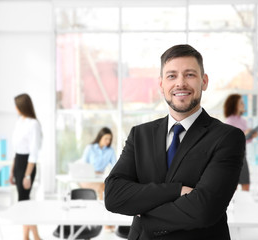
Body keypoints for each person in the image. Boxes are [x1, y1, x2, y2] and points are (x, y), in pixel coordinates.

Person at [104, 44, 246, 240]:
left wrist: (144, 213)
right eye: (172, 76)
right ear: (161, 85)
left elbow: (204, 209)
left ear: (204, 81)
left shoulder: (227, 137)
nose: (180, 83)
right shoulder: (140, 135)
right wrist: (177, 190)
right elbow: (114, 195)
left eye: (189, 75)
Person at [9, 93, 42, 240]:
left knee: (24, 202)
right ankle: (31, 236)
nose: (15, 108)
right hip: (18, 162)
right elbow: (16, 149)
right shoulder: (19, 121)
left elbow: (34, 153)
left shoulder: (33, 123)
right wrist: (12, 171)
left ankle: (29, 237)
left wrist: (27, 175)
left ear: (22, 106)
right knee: (24, 202)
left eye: (17, 105)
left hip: (28, 165)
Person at [224, 94, 258, 191]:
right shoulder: (229, 121)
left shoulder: (243, 121)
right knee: (232, 185)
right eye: (241, 103)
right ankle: (230, 205)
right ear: (234, 105)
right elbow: (230, 139)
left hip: (242, 155)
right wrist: (244, 133)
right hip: (232, 156)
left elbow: (244, 140)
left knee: (246, 184)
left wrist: (251, 136)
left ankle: (244, 204)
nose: (243, 105)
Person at [80, 127, 116, 200]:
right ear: (100, 137)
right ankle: (102, 208)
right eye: (106, 138)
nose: (108, 141)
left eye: (110, 139)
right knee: (103, 187)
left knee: (108, 187)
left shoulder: (110, 151)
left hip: (100, 177)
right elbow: (83, 165)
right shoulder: (90, 148)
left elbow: (115, 166)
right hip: (88, 177)